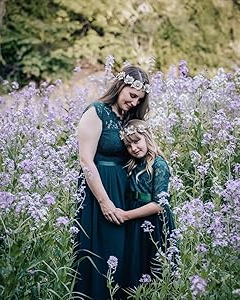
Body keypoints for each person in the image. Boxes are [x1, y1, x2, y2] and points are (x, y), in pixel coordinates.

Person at [74, 66, 151, 299]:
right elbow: (86, 160)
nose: (135, 102)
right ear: (120, 87)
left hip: (124, 192)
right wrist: (105, 202)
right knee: (101, 253)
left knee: (123, 255)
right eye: (132, 95)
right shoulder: (96, 112)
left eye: (139, 99)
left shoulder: (127, 118)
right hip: (100, 192)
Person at [117, 119, 176, 289]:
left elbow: (159, 204)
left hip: (153, 222)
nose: (134, 148)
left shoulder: (159, 164)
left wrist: (126, 215)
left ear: (147, 137)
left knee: (153, 266)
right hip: (134, 220)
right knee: (135, 263)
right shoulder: (132, 164)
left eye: (137, 141)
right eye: (128, 146)